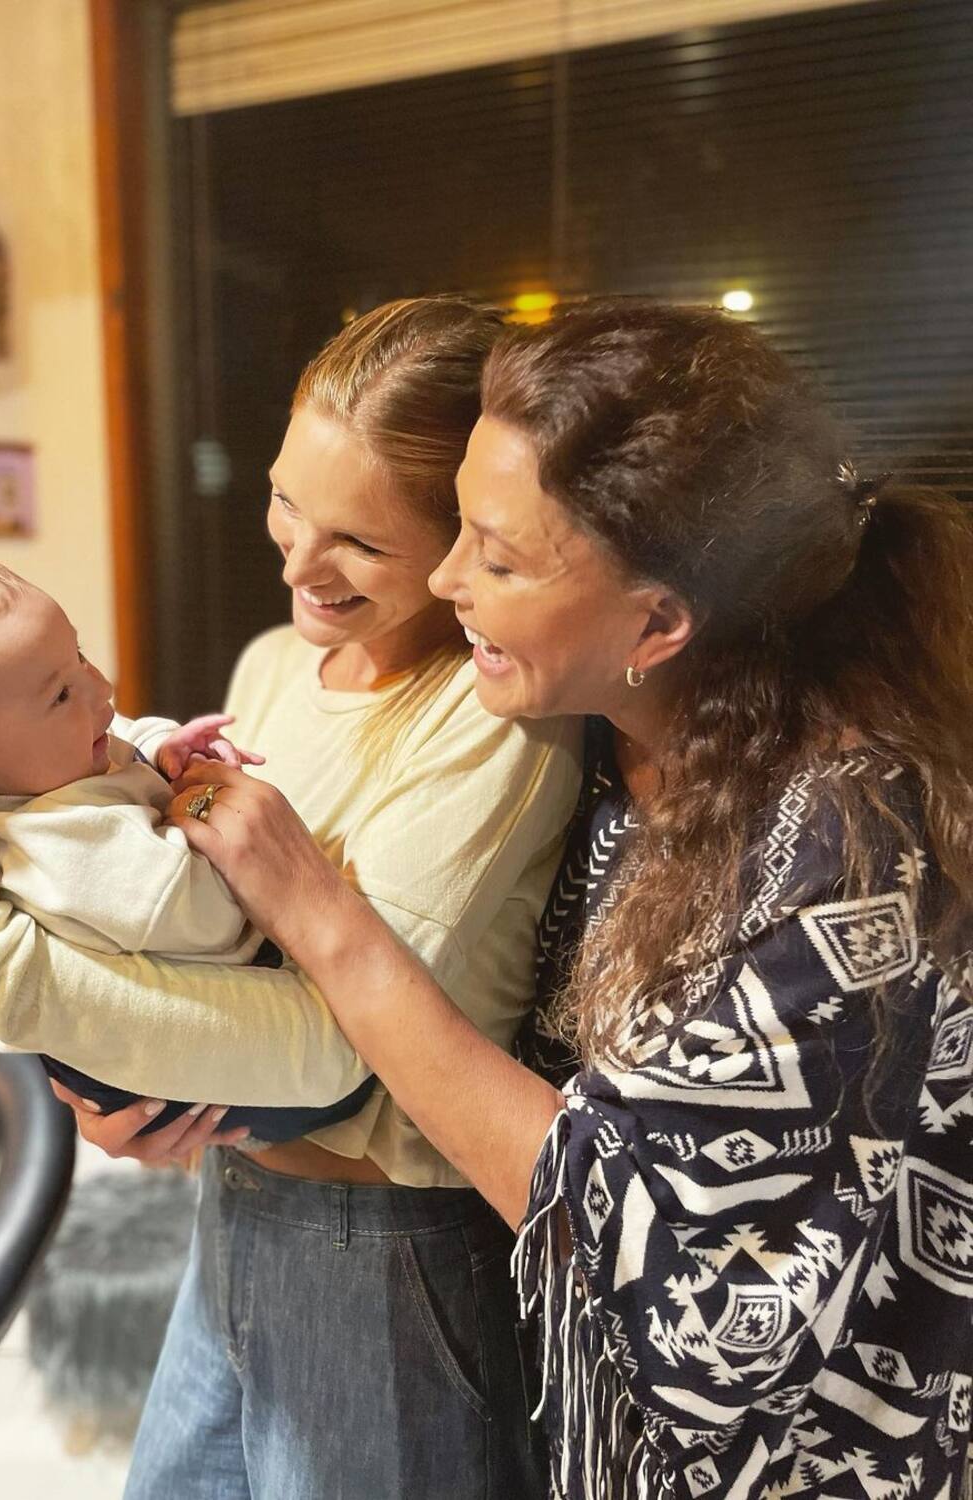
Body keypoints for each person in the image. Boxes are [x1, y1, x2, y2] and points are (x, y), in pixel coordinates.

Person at [136, 301, 969, 1498]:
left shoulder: (845, 858)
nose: (444, 578)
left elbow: (671, 1277)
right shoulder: (612, 752)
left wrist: (318, 911)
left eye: (496, 556)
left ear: (658, 621)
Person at [0, 297, 582, 1499]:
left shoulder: (493, 718)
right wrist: (116, 1088)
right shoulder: (272, 663)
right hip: (233, 1206)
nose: (297, 562)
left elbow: (335, 1047)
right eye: (286, 500)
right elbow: (173, 953)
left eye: (361, 542)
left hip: (382, 1255)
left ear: (463, 539)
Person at [0, 551, 378, 1142]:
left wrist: (163, 750)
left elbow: (124, 736)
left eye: (78, 655)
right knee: (352, 1065)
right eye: (60, 694)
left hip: (148, 995)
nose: (101, 688)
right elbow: (211, 918)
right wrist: (198, 809)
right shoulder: (67, 849)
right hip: (180, 1075)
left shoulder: (40, 762)